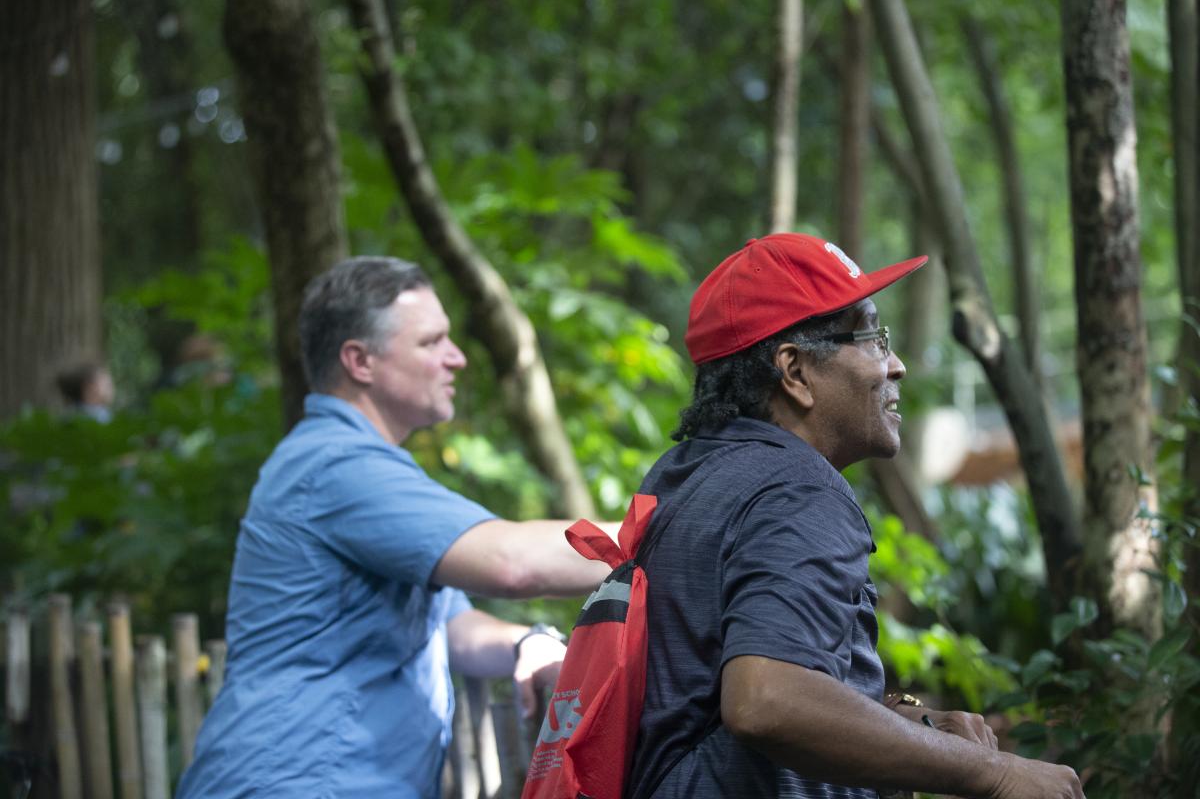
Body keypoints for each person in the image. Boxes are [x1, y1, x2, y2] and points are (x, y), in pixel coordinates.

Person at [625, 233, 1084, 799]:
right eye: (871, 338)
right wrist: (996, 774)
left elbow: (708, 707)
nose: (897, 365)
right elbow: (765, 700)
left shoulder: (686, 474)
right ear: (793, 372)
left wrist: (903, 721)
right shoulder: (794, 489)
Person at [178, 256, 612, 797]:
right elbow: (512, 564)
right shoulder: (336, 466)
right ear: (360, 361)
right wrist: (681, 521)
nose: (456, 359)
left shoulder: (364, 470)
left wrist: (527, 640)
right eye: (431, 343)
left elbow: (456, 631)